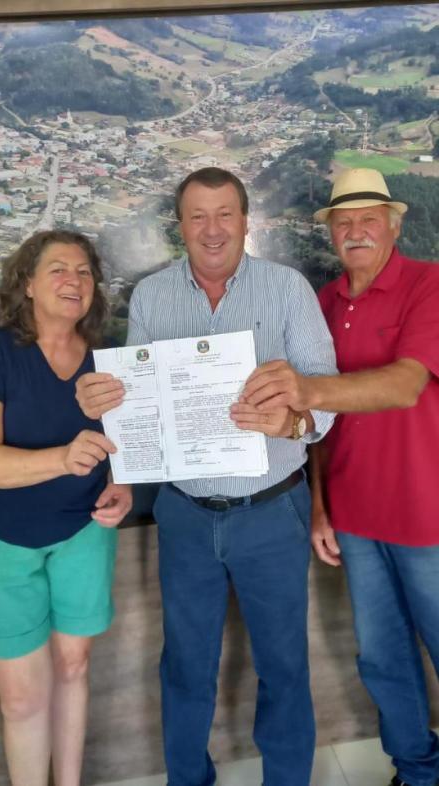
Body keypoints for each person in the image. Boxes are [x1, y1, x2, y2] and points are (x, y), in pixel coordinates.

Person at [75, 167, 337, 786]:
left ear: (246, 221)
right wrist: (102, 404)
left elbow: (325, 395)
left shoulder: (286, 289)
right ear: (180, 226)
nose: (212, 229)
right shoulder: (153, 295)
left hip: (273, 509)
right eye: (198, 216)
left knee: (283, 667)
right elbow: (137, 408)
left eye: (225, 214)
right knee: (186, 666)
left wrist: (293, 422)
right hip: (185, 514)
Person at [231, 168, 439, 786]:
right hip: (353, 514)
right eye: (343, 221)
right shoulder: (322, 304)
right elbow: (318, 426)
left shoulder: (429, 284)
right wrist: (321, 504)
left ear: (394, 225)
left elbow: (405, 385)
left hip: (427, 511)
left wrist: (307, 388)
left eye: (369, 218)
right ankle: (417, 770)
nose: (356, 230)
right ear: (330, 233)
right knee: (382, 656)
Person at [0, 230, 132, 786]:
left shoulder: (107, 361)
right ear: (28, 284)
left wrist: (122, 486)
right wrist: (62, 459)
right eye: (58, 268)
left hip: (84, 533)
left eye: (84, 271)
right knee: (19, 698)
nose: (73, 280)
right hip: (1, 540)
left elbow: (123, 449)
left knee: (74, 666)